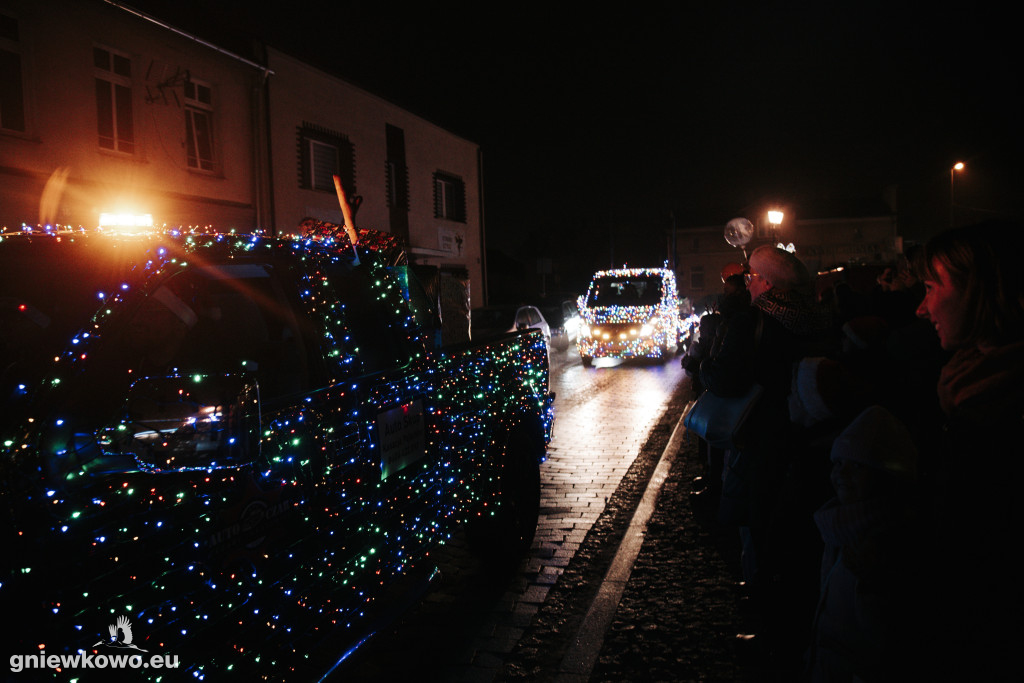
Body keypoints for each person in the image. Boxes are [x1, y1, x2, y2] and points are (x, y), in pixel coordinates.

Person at [698, 245, 836, 672]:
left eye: (754, 277)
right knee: (804, 543)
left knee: (764, 534)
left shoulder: (752, 322)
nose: (750, 283)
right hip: (814, 442)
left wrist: (703, 365)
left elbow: (725, 378)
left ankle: (772, 635)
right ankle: (804, 631)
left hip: (763, 442)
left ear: (769, 283)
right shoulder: (817, 322)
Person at [910, 219, 1024, 680]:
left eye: (932, 286)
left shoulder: (997, 406)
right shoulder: (965, 386)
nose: (920, 308)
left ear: (979, 289)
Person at [805, 405, 921, 683]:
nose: (842, 474)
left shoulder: (885, 545)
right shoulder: (839, 528)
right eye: (839, 464)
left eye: (857, 466)